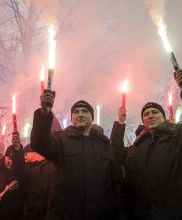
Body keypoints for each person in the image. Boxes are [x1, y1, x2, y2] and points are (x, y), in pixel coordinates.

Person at [30, 90, 126, 220]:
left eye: (84, 111)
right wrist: (44, 114)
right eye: (76, 112)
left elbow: (117, 186)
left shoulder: (106, 146)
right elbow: (40, 143)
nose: (80, 114)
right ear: (72, 118)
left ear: (92, 117)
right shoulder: (61, 140)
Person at [126, 68, 182, 220]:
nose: (150, 116)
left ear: (163, 117)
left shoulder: (177, 136)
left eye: (154, 112)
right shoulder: (135, 149)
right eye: (146, 114)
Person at [11, 140, 55, 220]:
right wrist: (17, 151)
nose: (24, 157)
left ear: (35, 152)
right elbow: (18, 169)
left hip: (53, 213)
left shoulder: (53, 166)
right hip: (35, 213)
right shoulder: (28, 169)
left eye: (25, 154)